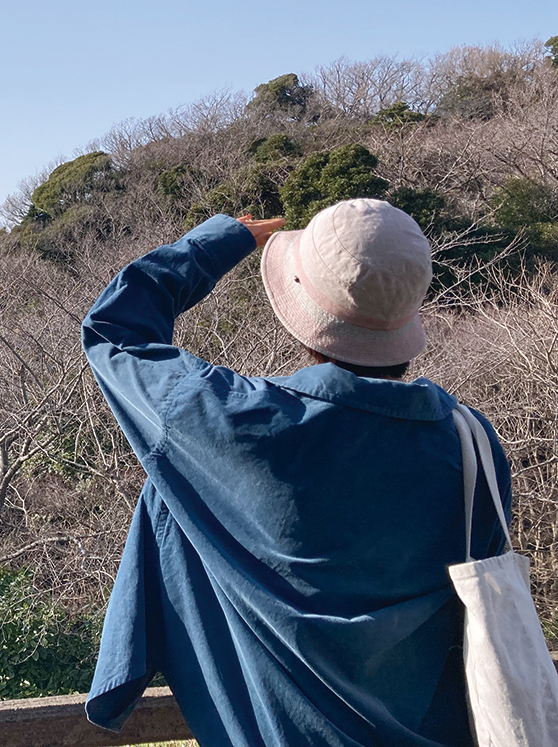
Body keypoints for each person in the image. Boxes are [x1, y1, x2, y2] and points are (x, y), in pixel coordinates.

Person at [82, 198, 511, 747]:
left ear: (303, 315)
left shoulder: (230, 420)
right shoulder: (471, 444)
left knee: (175, 487)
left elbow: (115, 331)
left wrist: (225, 239)